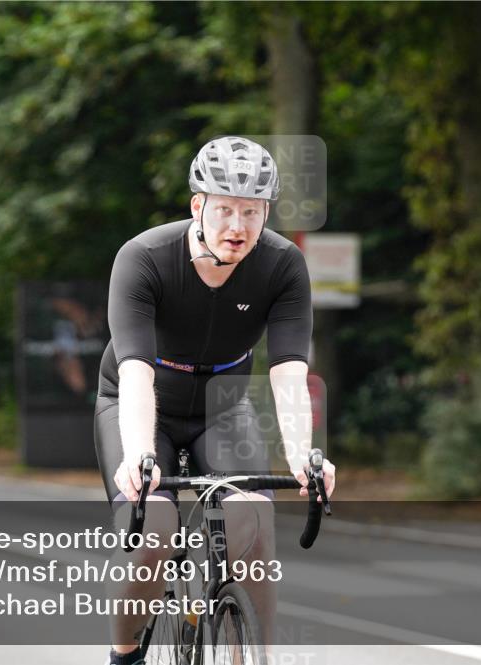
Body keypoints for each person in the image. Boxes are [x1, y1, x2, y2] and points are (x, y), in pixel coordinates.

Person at [93, 136, 337, 665]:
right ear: (198, 206)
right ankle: (124, 655)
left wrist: (301, 454)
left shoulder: (282, 266)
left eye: (252, 212)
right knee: (153, 532)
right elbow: (135, 372)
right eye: (225, 209)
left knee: (254, 531)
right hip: (140, 401)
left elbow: (290, 374)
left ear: (266, 212)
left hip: (223, 405)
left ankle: (254, 657)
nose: (238, 226)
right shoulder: (144, 258)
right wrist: (139, 454)